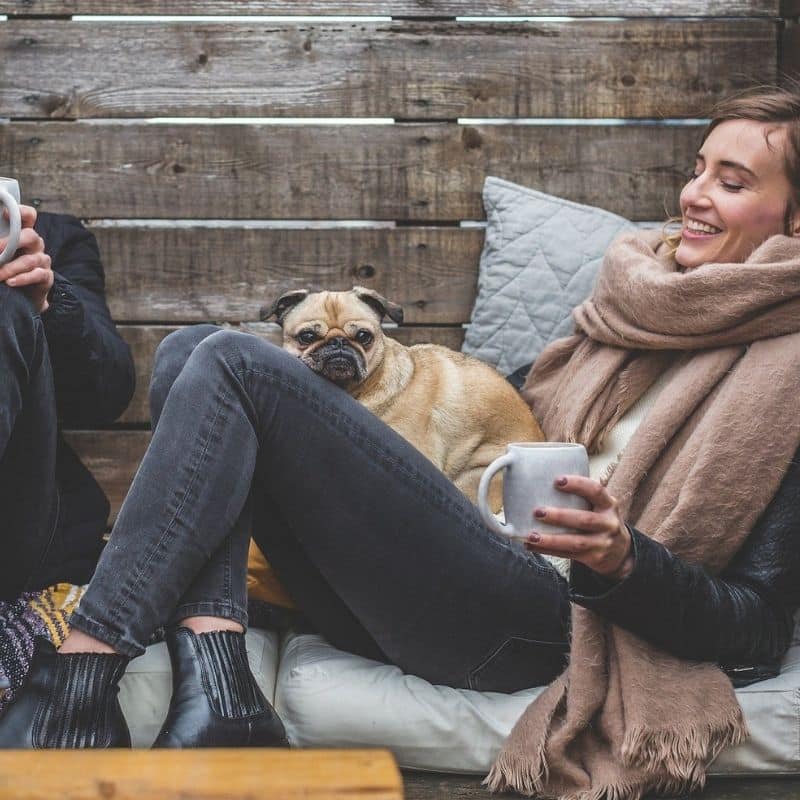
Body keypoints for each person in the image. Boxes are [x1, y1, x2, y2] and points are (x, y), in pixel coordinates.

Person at [1, 86, 799, 798]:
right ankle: (224, 692)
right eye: (696, 169)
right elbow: (517, 409)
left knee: (228, 360)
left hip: (543, 623)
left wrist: (624, 560)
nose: (693, 196)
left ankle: (80, 675)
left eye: (731, 183)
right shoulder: (636, 307)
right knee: (188, 353)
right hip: (442, 582)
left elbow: (757, 630)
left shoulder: (784, 378)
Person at [0, 207, 135, 704]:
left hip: (18, 529)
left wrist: (48, 301)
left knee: (5, 302)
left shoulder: (44, 237)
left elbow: (110, 392)